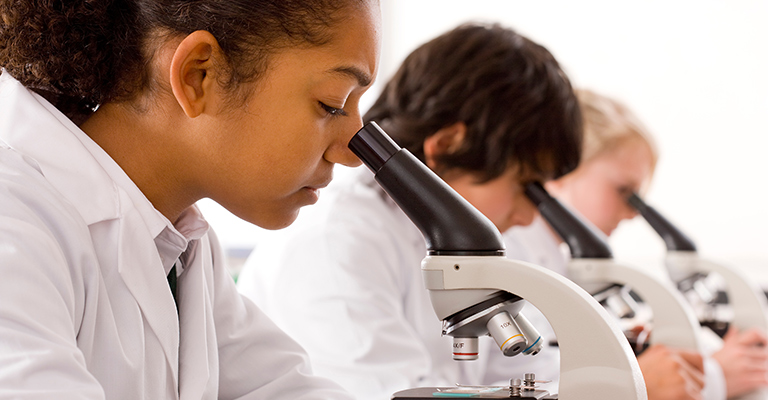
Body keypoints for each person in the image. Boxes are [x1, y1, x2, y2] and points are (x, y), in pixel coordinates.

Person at [237, 22, 703, 399]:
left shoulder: (465, 247)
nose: (528, 217)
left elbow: (528, 370)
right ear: (448, 146)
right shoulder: (335, 244)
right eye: (525, 187)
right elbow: (395, 394)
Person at [0, 0, 379, 398]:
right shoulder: (16, 221)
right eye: (332, 104)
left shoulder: (180, 243)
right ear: (198, 75)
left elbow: (282, 388)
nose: (352, 154)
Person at [506, 88, 768, 399]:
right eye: (624, 191)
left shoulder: (556, 262)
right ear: (560, 170)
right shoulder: (514, 260)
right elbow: (530, 379)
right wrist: (713, 378)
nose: (633, 213)